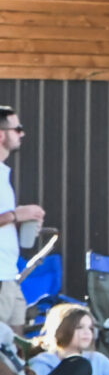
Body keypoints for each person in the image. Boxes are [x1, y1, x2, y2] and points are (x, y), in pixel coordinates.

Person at [0, 106, 41, 334]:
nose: (22, 134)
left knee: (17, 350)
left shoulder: (3, 174)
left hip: (9, 276)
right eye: (18, 129)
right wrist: (16, 215)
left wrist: (24, 221)